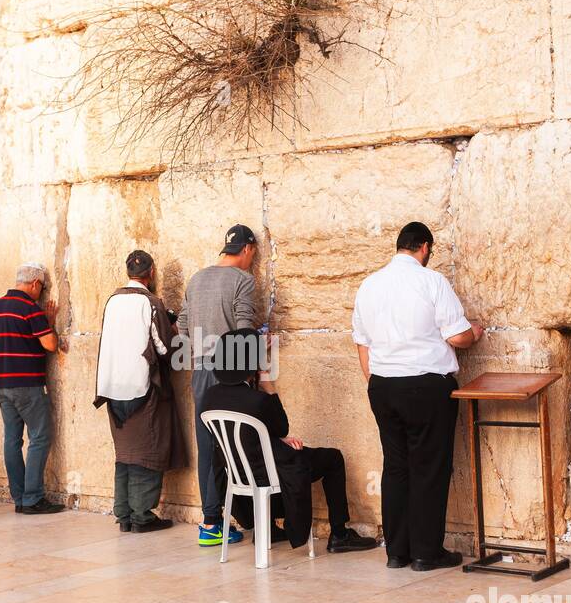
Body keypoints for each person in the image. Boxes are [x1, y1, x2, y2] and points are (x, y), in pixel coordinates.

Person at [352, 222, 484, 571]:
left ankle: (397, 551)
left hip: (383, 385)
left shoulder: (369, 284)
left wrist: (374, 381)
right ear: (424, 247)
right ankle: (426, 552)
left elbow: (361, 342)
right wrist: (474, 333)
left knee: (396, 467)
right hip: (425, 386)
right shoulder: (432, 282)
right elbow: (457, 337)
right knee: (429, 468)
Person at [202, 328, 379, 554]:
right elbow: (282, 427)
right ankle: (340, 534)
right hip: (270, 473)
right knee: (333, 458)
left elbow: (248, 435)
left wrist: (277, 440)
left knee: (280, 456)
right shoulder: (257, 401)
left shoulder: (209, 399)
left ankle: (268, 528)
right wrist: (267, 382)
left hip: (237, 478)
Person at [93, 250, 186, 533]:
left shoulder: (112, 301)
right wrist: (176, 328)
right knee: (148, 450)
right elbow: (164, 347)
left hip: (111, 388)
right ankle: (142, 516)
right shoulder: (151, 302)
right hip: (141, 388)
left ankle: (124, 515)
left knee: (125, 454)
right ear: (152, 273)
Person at [179, 224, 259, 547]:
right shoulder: (243, 281)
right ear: (248, 249)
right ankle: (223, 521)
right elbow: (243, 330)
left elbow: (182, 330)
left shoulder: (195, 280)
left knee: (207, 445)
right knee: (234, 445)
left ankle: (212, 520)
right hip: (228, 374)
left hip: (199, 371)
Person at [0, 263, 64, 514]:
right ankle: (33, 498)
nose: (40, 293)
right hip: (27, 384)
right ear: (34, 284)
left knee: (12, 439)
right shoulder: (30, 309)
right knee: (39, 438)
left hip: (1, 384)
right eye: (41, 288)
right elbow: (50, 344)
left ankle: (19, 497)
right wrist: (49, 322)